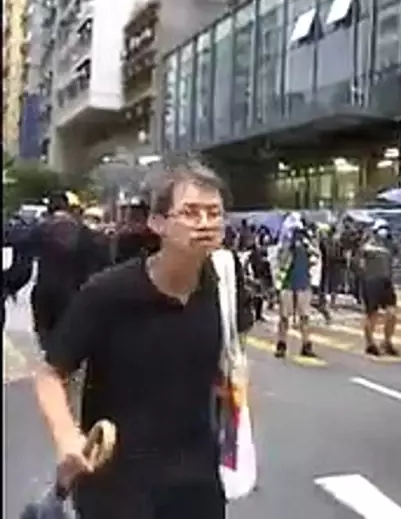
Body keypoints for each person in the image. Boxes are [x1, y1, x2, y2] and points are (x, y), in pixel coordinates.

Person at [32, 157, 248, 519]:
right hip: (117, 487)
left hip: (198, 484)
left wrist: (232, 390)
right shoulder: (108, 293)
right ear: (157, 222)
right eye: (191, 212)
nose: (205, 224)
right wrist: (67, 436)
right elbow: (50, 374)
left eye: (214, 213)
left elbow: (224, 361)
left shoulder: (224, 284)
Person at [27, 191, 110, 348]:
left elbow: (22, 257)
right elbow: (102, 262)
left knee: (46, 338)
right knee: (69, 340)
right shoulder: (87, 233)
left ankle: (50, 359)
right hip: (73, 293)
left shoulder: (39, 229)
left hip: (44, 293)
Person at [274, 222, 319, 359]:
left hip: (303, 283)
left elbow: (316, 259)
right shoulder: (285, 245)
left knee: (304, 316)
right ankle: (282, 344)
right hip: (287, 283)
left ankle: (306, 344)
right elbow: (280, 261)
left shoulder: (308, 245)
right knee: (284, 317)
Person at [359, 227, 400, 356]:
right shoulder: (368, 246)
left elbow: (396, 252)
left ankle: (387, 342)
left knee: (391, 313)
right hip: (371, 282)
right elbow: (362, 253)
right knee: (372, 315)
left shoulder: (389, 246)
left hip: (386, 282)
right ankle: (370, 343)